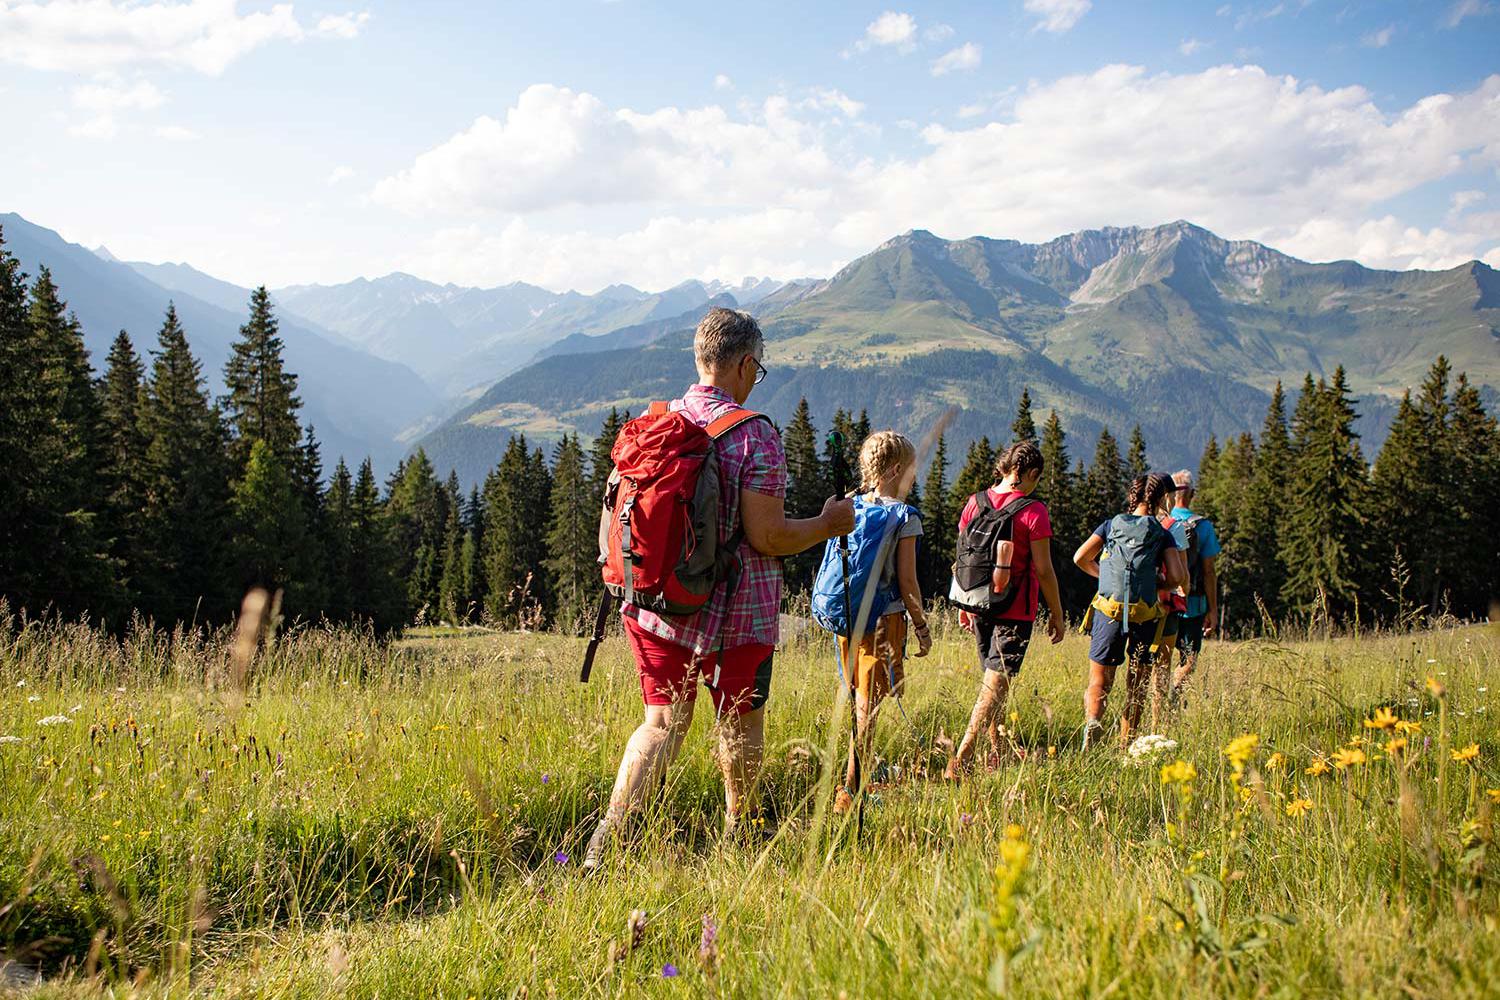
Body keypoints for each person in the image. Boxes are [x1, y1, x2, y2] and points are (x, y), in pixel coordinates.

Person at [583, 308, 855, 870]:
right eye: (759, 369)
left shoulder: (651, 425)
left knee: (660, 724)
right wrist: (828, 525)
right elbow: (770, 535)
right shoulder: (755, 435)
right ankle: (740, 837)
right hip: (738, 612)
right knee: (740, 722)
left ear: (700, 358)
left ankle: (607, 840)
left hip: (654, 603)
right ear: (747, 364)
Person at [943, 441, 1066, 779]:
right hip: (1016, 608)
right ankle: (964, 755)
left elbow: (962, 557)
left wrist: (963, 601)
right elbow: (1043, 569)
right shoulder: (1033, 511)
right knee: (996, 683)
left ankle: (995, 752)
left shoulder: (974, 503)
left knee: (993, 683)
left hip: (978, 600)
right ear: (1030, 474)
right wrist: (1056, 612)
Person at [833, 431, 932, 814]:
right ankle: (850, 793)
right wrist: (921, 628)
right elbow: (907, 582)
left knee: (858, 698)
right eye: (910, 471)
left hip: (847, 619)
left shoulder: (849, 506)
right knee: (868, 709)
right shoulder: (903, 516)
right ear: (894, 470)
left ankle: (853, 779)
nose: (913, 478)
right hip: (883, 622)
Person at [1072, 473, 1186, 748]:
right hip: (1145, 613)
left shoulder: (1111, 525)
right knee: (1138, 685)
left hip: (1108, 609)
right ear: (1161, 499)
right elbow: (1178, 577)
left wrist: (1104, 577)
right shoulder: (1162, 534)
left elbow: (1079, 557)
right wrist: (1156, 582)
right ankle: (1127, 745)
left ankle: (1094, 722)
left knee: (1099, 679)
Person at [1164, 469, 1220, 700]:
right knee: (1189, 660)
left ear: (1170, 495)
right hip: (1193, 605)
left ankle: (1160, 703)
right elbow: (1209, 572)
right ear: (1192, 494)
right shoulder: (1203, 527)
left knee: (1162, 659)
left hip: (1164, 601)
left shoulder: (1162, 522)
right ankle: (1174, 695)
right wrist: (1213, 609)